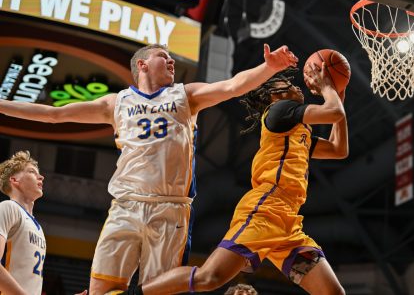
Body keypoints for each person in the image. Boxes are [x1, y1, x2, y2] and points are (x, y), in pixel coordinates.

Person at [0, 43, 297, 294]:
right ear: (142, 64)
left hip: (170, 210)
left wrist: (268, 68)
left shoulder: (185, 95)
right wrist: (3, 105)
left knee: (156, 290)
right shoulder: (116, 103)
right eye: (162, 56)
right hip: (126, 206)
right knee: (101, 290)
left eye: (171, 58)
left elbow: (233, 86)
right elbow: (54, 115)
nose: (171, 61)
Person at [121, 61, 348, 295]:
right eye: (287, 84)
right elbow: (333, 113)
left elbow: (338, 149)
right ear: (275, 95)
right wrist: (328, 87)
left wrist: (339, 93)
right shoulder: (280, 111)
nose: (296, 86)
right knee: (209, 278)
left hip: (289, 224)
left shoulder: (298, 130)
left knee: (333, 293)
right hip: (264, 211)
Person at [0, 151, 46, 295]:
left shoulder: (38, 227)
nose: (41, 177)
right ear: (14, 180)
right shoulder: (8, 207)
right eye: (32, 172)